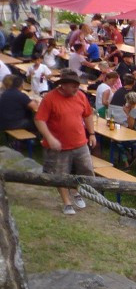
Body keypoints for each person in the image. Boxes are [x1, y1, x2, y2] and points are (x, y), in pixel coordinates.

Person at [34, 69, 96, 215]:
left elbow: (87, 115)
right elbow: (39, 120)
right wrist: (49, 138)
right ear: (63, 85)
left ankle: (76, 192)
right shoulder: (50, 98)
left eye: (77, 85)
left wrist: (92, 133)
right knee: (61, 174)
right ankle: (66, 202)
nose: (77, 88)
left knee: (85, 170)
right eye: (74, 86)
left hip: (80, 143)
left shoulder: (80, 95)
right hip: (59, 147)